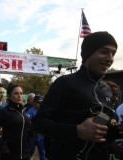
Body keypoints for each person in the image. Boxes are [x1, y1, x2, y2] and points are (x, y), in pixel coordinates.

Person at [32, 31, 123, 160]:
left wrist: (118, 130)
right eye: (104, 51)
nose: (110, 58)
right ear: (88, 54)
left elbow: (101, 133)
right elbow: (38, 123)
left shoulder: (107, 89)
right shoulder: (65, 83)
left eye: (113, 53)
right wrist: (76, 131)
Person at [0, 83, 31, 160]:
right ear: (9, 96)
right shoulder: (4, 112)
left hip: (25, 153)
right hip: (9, 153)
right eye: (16, 93)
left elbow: (26, 130)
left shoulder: (24, 110)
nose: (19, 96)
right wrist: (3, 147)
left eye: (21, 93)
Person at [27, 95, 46, 160]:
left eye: (42, 102)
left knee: (42, 153)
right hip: (33, 136)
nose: (40, 104)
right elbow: (27, 122)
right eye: (38, 102)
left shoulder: (44, 111)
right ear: (34, 102)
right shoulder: (30, 111)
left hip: (41, 136)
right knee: (30, 152)